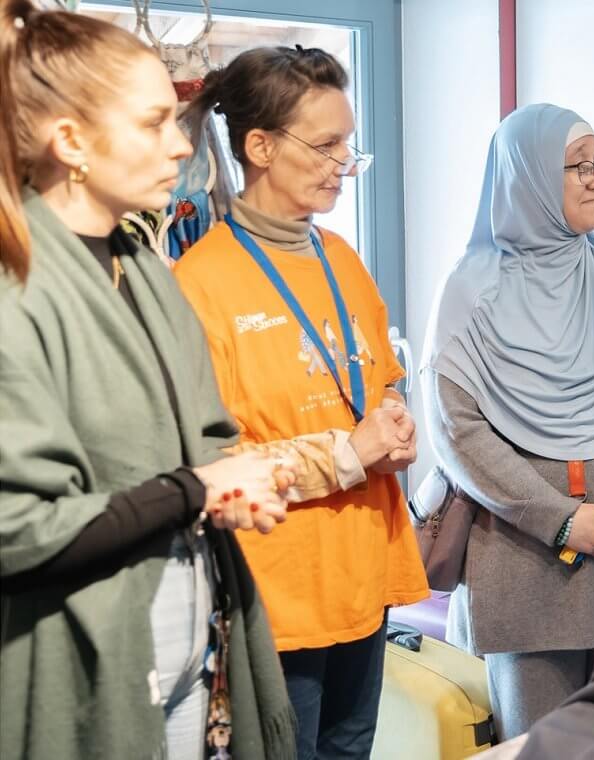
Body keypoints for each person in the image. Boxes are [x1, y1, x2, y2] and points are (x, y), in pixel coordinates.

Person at [0, 3, 297, 758]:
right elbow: (21, 529)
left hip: (193, 634)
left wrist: (236, 481)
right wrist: (197, 490)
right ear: (70, 141)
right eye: (153, 123)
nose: (177, 145)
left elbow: (196, 435)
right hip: (90, 663)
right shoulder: (18, 290)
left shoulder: (139, 262)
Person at [173, 45, 429, 759]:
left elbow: (379, 378)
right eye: (324, 145)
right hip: (279, 592)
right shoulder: (200, 283)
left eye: (348, 143)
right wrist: (352, 453)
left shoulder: (340, 256)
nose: (343, 163)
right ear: (259, 146)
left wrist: (396, 421)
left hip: (363, 574)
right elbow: (212, 465)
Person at [421, 104, 594, 739]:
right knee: (539, 746)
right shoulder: (471, 293)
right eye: (579, 167)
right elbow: (458, 433)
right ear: (529, 179)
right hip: (526, 576)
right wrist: (564, 521)